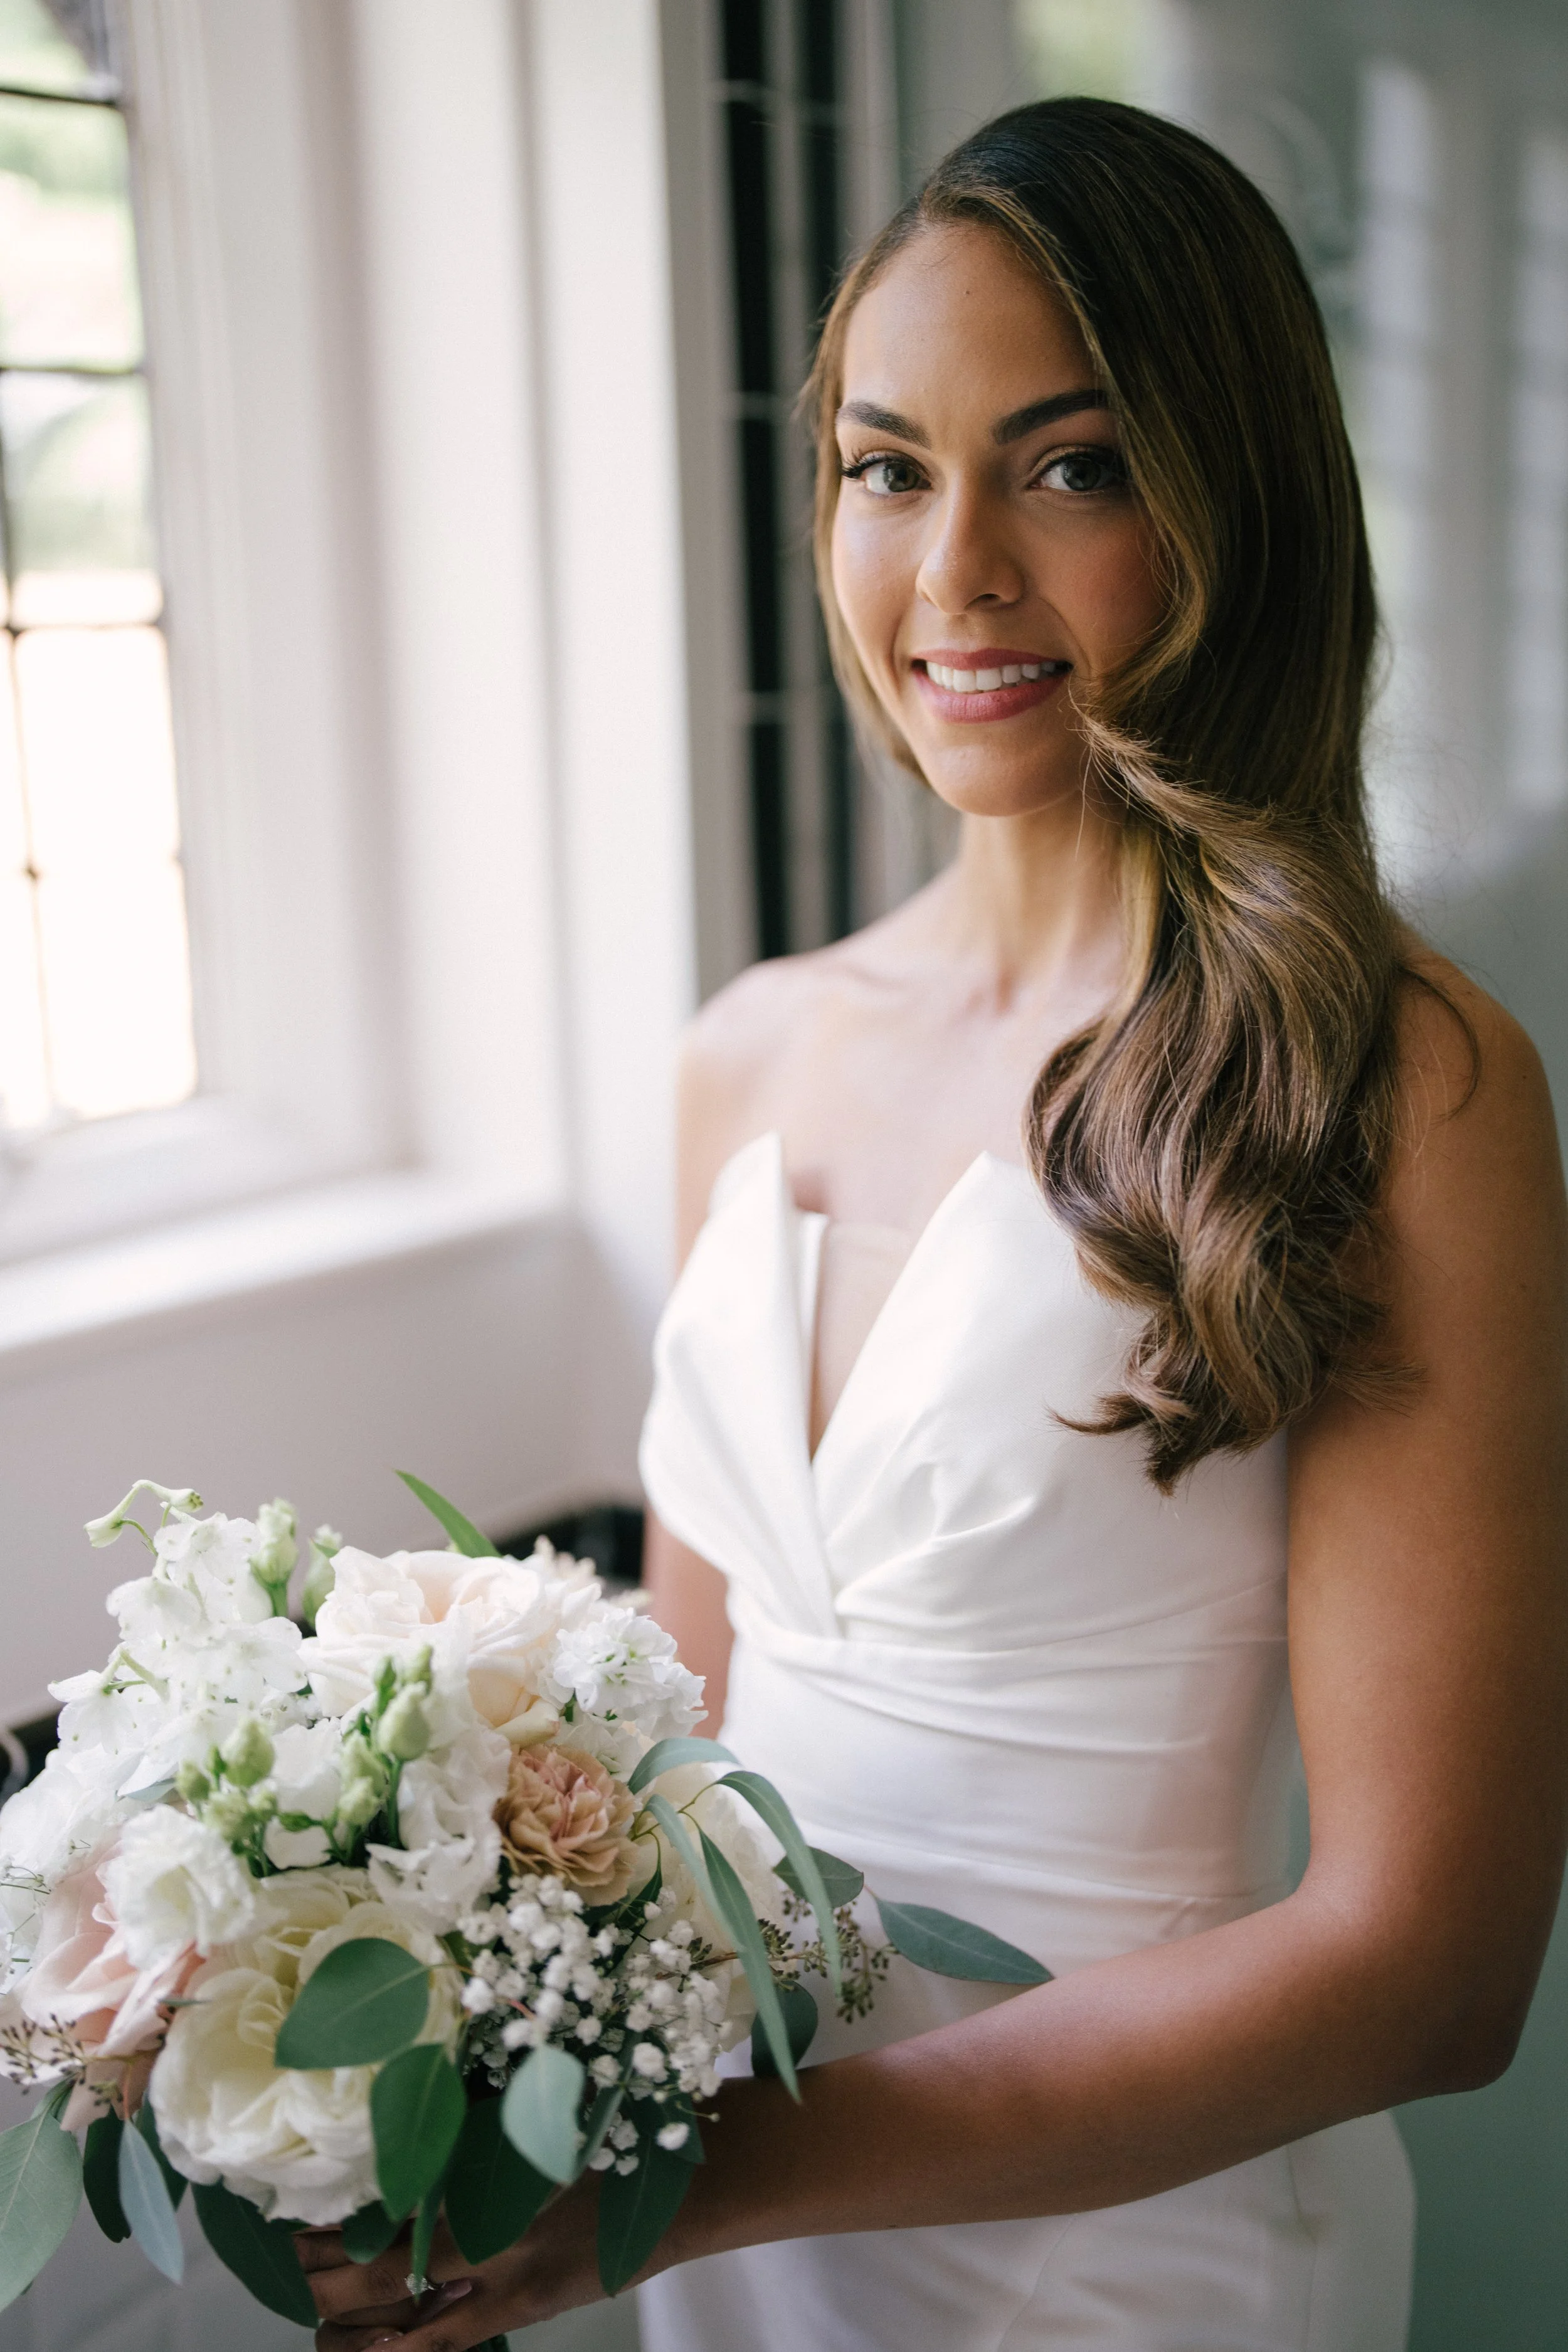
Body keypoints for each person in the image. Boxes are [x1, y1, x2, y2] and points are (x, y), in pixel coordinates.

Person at [307, 97, 1568, 2352]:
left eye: (1066, 464)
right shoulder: (746, 1050)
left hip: (1135, 2259)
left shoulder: (1389, 1080)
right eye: (888, 467)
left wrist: (703, 2192)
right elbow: (666, 1769)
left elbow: (1427, 1967)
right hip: (746, 2253)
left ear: (1227, 502)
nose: (955, 569)